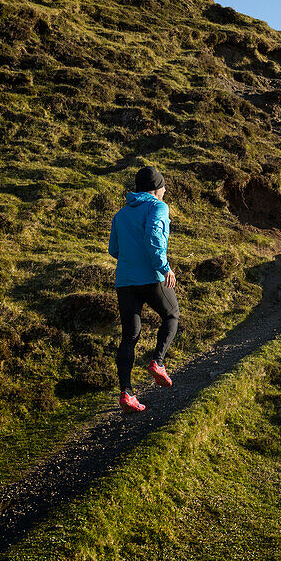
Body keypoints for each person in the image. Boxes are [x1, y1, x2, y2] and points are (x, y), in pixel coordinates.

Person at [108, 165, 178, 413]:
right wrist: (165, 267)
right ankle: (158, 363)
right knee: (171, 315)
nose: (165, 191)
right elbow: (154, 239)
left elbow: (113, 250)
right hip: (151, 276)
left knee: (129, 335)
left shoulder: (120, 214)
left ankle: (126, 393)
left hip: (125, 282)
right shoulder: (158, 207)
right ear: (157, 189)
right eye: (164, 187)